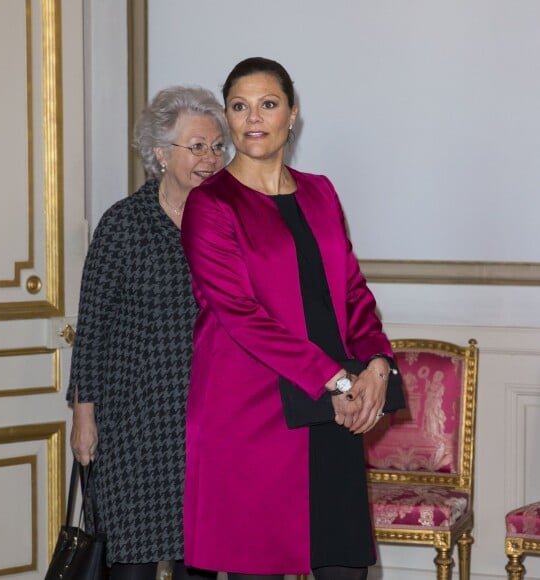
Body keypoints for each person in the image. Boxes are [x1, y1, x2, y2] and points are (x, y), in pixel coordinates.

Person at [180, 58, 405, 580]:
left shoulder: (320, 191)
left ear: (292, 115)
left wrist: (376, 365)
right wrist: (338, 379)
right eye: (239, 106)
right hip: (252, 415)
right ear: (228, 118)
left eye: (268, 104)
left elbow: (352, 291)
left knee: (343, 566)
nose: (253, 117)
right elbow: (241, 315)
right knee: (255, 568)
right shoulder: (210, 205)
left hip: (336, 413)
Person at [67, 86, 228, 580]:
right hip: (131, 424)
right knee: (131, 565)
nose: (211, 159)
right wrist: (84, 416)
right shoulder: (123, 224)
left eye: (218, 147)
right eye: (196, 146)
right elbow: (91, 328)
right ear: (160, 153)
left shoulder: (225, 223)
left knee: (197, 561)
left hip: (206, 421)